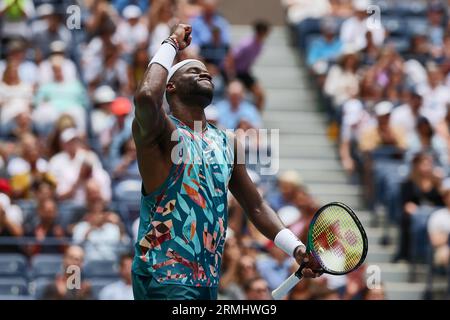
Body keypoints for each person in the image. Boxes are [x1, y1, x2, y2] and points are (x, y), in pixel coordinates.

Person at [131, 24, 321, 300]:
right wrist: (171, 43)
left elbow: (255, 206)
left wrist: (295, 247)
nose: (204, 72)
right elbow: (147, 96)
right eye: (193, 70)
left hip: (207, 279)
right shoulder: (163, 133)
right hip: (164, 274)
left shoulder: (227, 141)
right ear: (170, 85)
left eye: (206, 71)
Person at [231, 20, 271, 110]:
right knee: (239, 95)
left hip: (245, 73)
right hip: (236, 73)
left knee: (260, 94)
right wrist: (231, 75)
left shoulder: (260, 45)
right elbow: (231, 57)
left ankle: (255, 118)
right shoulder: (246, 44)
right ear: (261, 31)